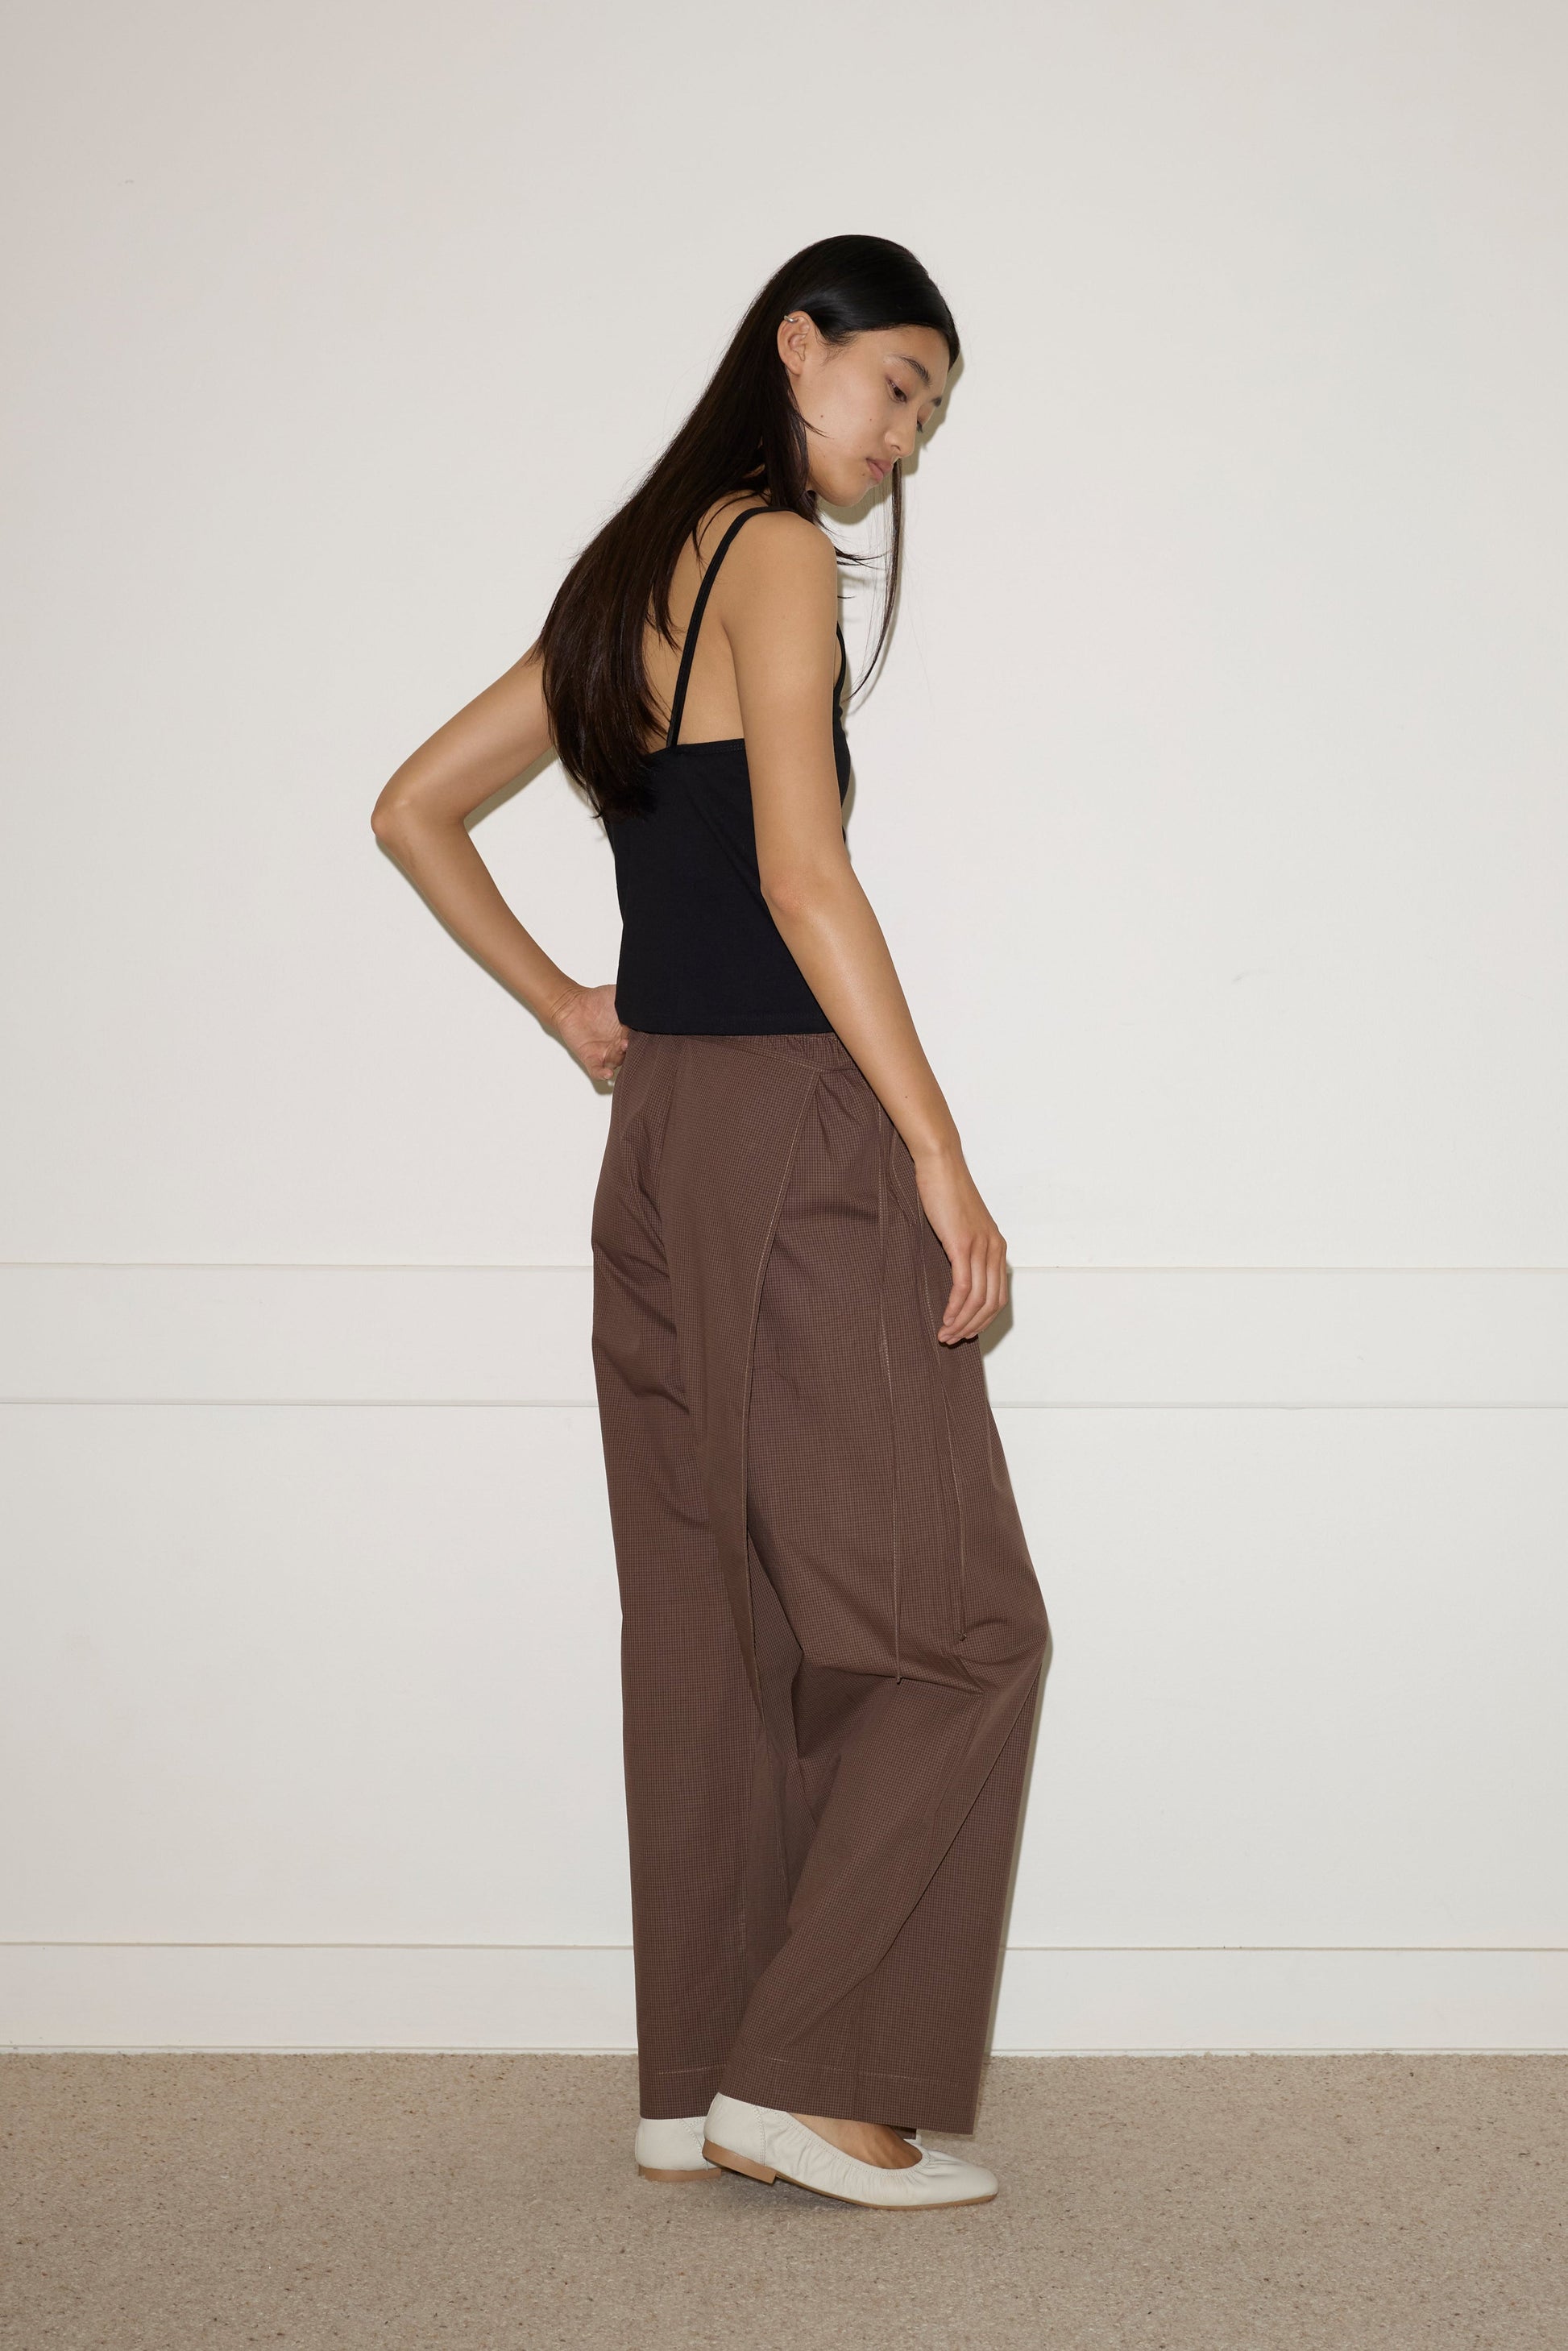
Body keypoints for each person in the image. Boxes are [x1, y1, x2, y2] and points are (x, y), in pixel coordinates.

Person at [371, 234, 1049, 2210]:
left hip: (657, 1133)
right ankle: (816, 2080)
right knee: (956, 1622)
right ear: (798, 347)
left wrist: (577, 1011)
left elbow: (416, 802)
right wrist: (931, 1147)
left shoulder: (629, 577)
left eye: (929, 408)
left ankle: (698, 2082)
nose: (907, 436)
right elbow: (801, 867)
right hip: (786, 1122)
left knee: (707, 1620)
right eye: (898, 383)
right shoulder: (767, 551)